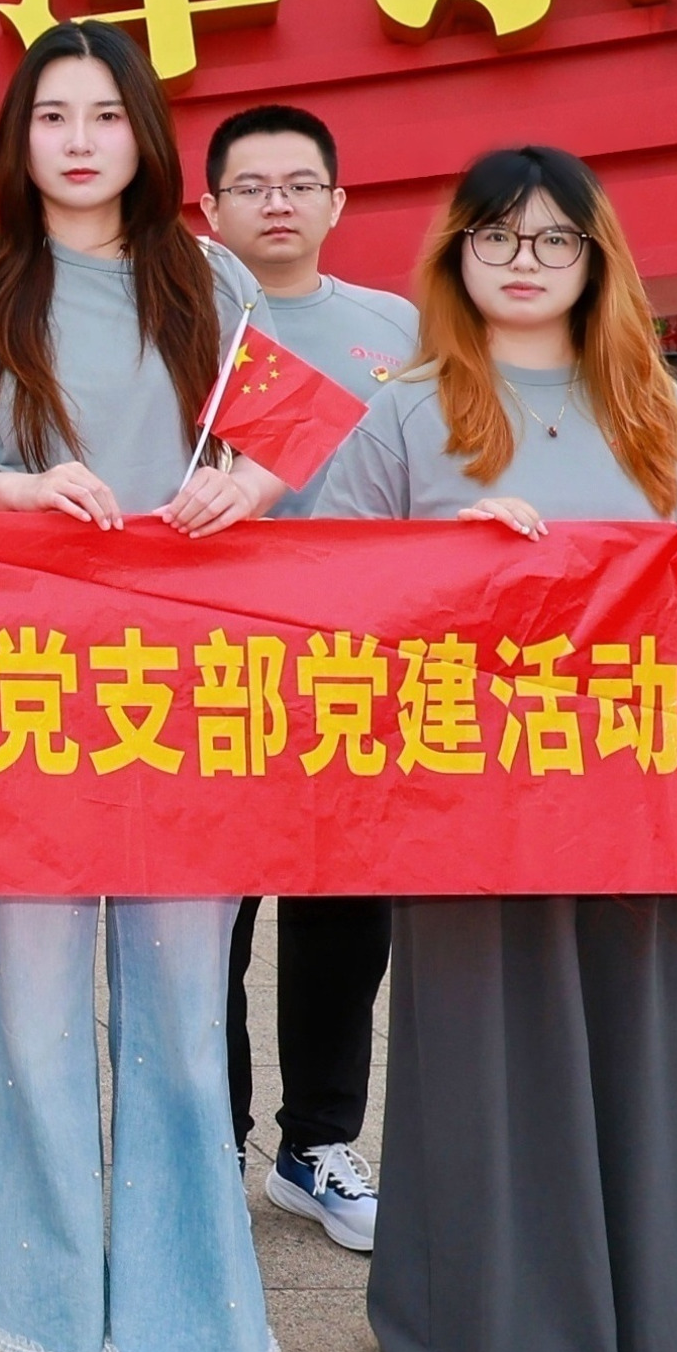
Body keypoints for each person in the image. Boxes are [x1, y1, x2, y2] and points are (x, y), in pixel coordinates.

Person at [310, 146, 677, 1352]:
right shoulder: (408, 413)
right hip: (470, 797)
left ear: (595, 259)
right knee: (490, 1054)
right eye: (497, 236)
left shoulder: (653, 407)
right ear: (455, 253)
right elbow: (328, 588)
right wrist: (442, 558)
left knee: (640, 1049)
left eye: (555, 238)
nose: (525, 260)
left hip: (631, 794)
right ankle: (495, 1329)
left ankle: (660, 1338)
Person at [0, 19, 287, 1352]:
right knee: (39, 1011)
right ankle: (48, 1313)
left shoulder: (215, 279)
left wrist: (249, 482)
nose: (76, 139)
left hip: (186, 691)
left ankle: (182, 1320)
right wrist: (17, 490)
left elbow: (274, 441)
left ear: (145, 136)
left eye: (104, 114)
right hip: (25, 690)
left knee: (182, 1016)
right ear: (16, 139)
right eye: (51, 114)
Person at [200, 102, 418, 1255]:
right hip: (211, 661)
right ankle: (209, 1145)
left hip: (355, 663)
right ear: (209, 207)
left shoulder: (397, 325)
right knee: (207, 922)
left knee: (343, 914)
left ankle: (317, 1144)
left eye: (298, 183)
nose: (275, 202)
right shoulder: (185, 317)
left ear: (337, 200)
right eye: (250, 185)